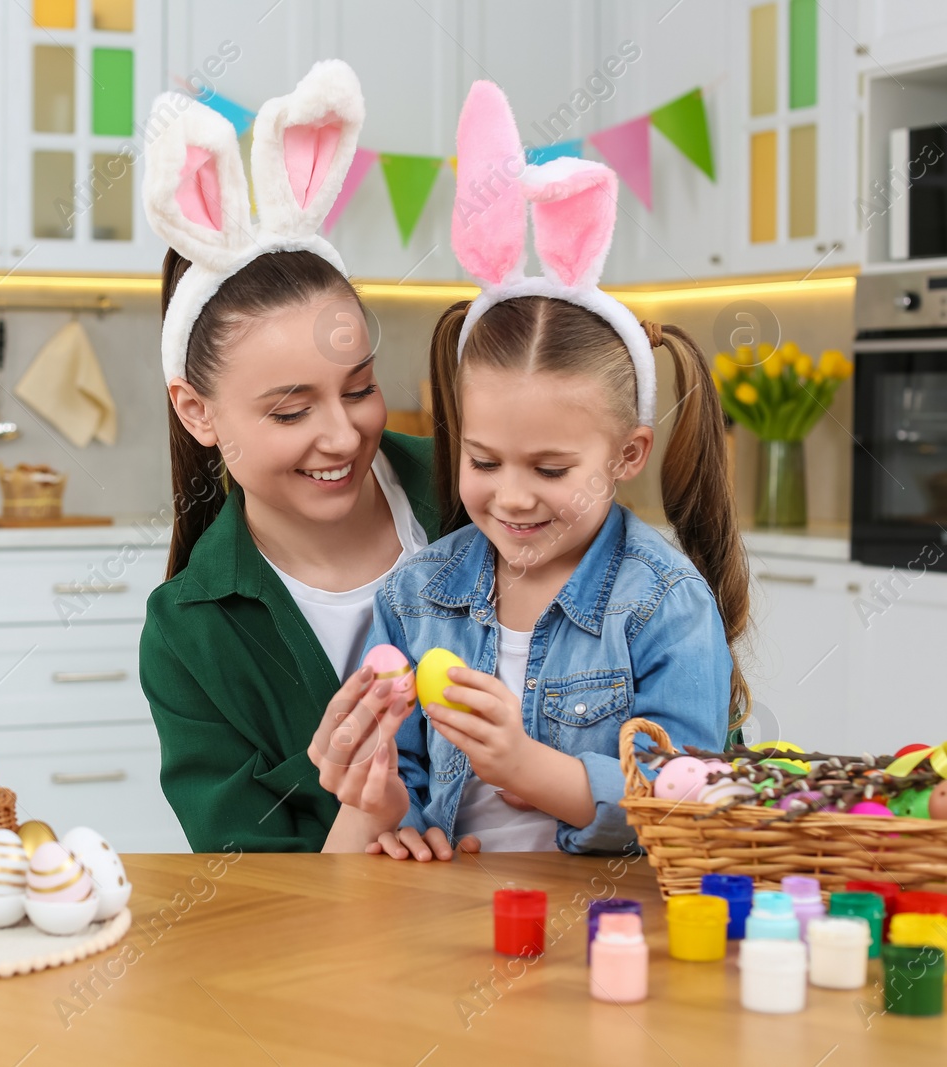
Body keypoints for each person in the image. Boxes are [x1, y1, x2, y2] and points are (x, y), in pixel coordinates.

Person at [310, 81, 747, 860]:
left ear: (627, 455)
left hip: (605, 930)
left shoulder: (663, 605)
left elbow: (691, 799)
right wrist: (395, 818)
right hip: (452, 930)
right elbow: (399, 779)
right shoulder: (417, 595)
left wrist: (529, 767)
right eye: (483, 460)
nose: (511, 495)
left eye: (550, 467)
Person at [137, 61, 442, 852]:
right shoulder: (190, 634)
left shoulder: (476, 494)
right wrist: (363, 819)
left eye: (361, 388)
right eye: (291, 409)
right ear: (196, 412)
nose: (341, 435)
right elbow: (249, 896)